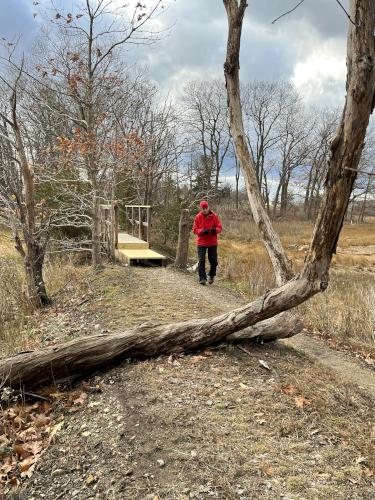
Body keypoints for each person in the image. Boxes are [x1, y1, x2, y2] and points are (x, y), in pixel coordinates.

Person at [192, 200, 222, 285]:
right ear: (200, 209)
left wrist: (214, 230)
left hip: (212, 242)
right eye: (203, 208)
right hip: (201, 242)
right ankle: (202, 278)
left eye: (206, 208)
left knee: (213, 261)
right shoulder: (198, 217)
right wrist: (202, 231)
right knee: (201, 260)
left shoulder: (215, 216)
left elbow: (219, 227)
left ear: (208, 207)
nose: (205, 210)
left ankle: (211, 275)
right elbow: (194, 230)